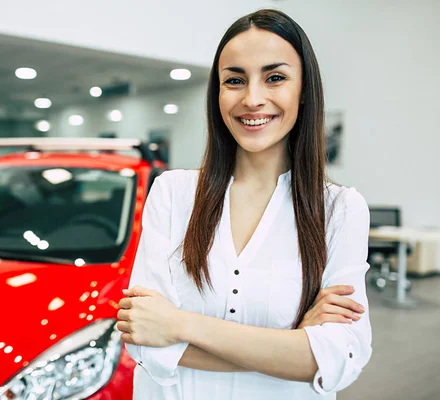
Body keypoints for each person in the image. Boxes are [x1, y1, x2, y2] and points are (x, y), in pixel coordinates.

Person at [116, 9, 372, 400]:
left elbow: (339, 359)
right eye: (234, 80)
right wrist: (293, 342)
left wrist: (181, 325)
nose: (252, 99)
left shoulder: (339, 210)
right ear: (217, 93)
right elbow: (145, 338)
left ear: (303, 91)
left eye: (275, 78)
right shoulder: (172, 193)